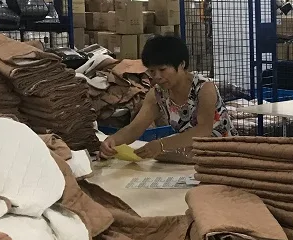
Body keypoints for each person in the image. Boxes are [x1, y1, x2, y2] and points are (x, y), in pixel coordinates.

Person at [100, 35, 233, 160]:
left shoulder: (204, 88)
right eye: (152, 71)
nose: (157, 76)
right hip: (192, 156)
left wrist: (161, 145)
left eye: (162, 70)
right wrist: (112, 141)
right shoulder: (158, 94)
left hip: (225, 156)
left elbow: (203, 130)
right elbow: (135, 128)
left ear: (181, 65)